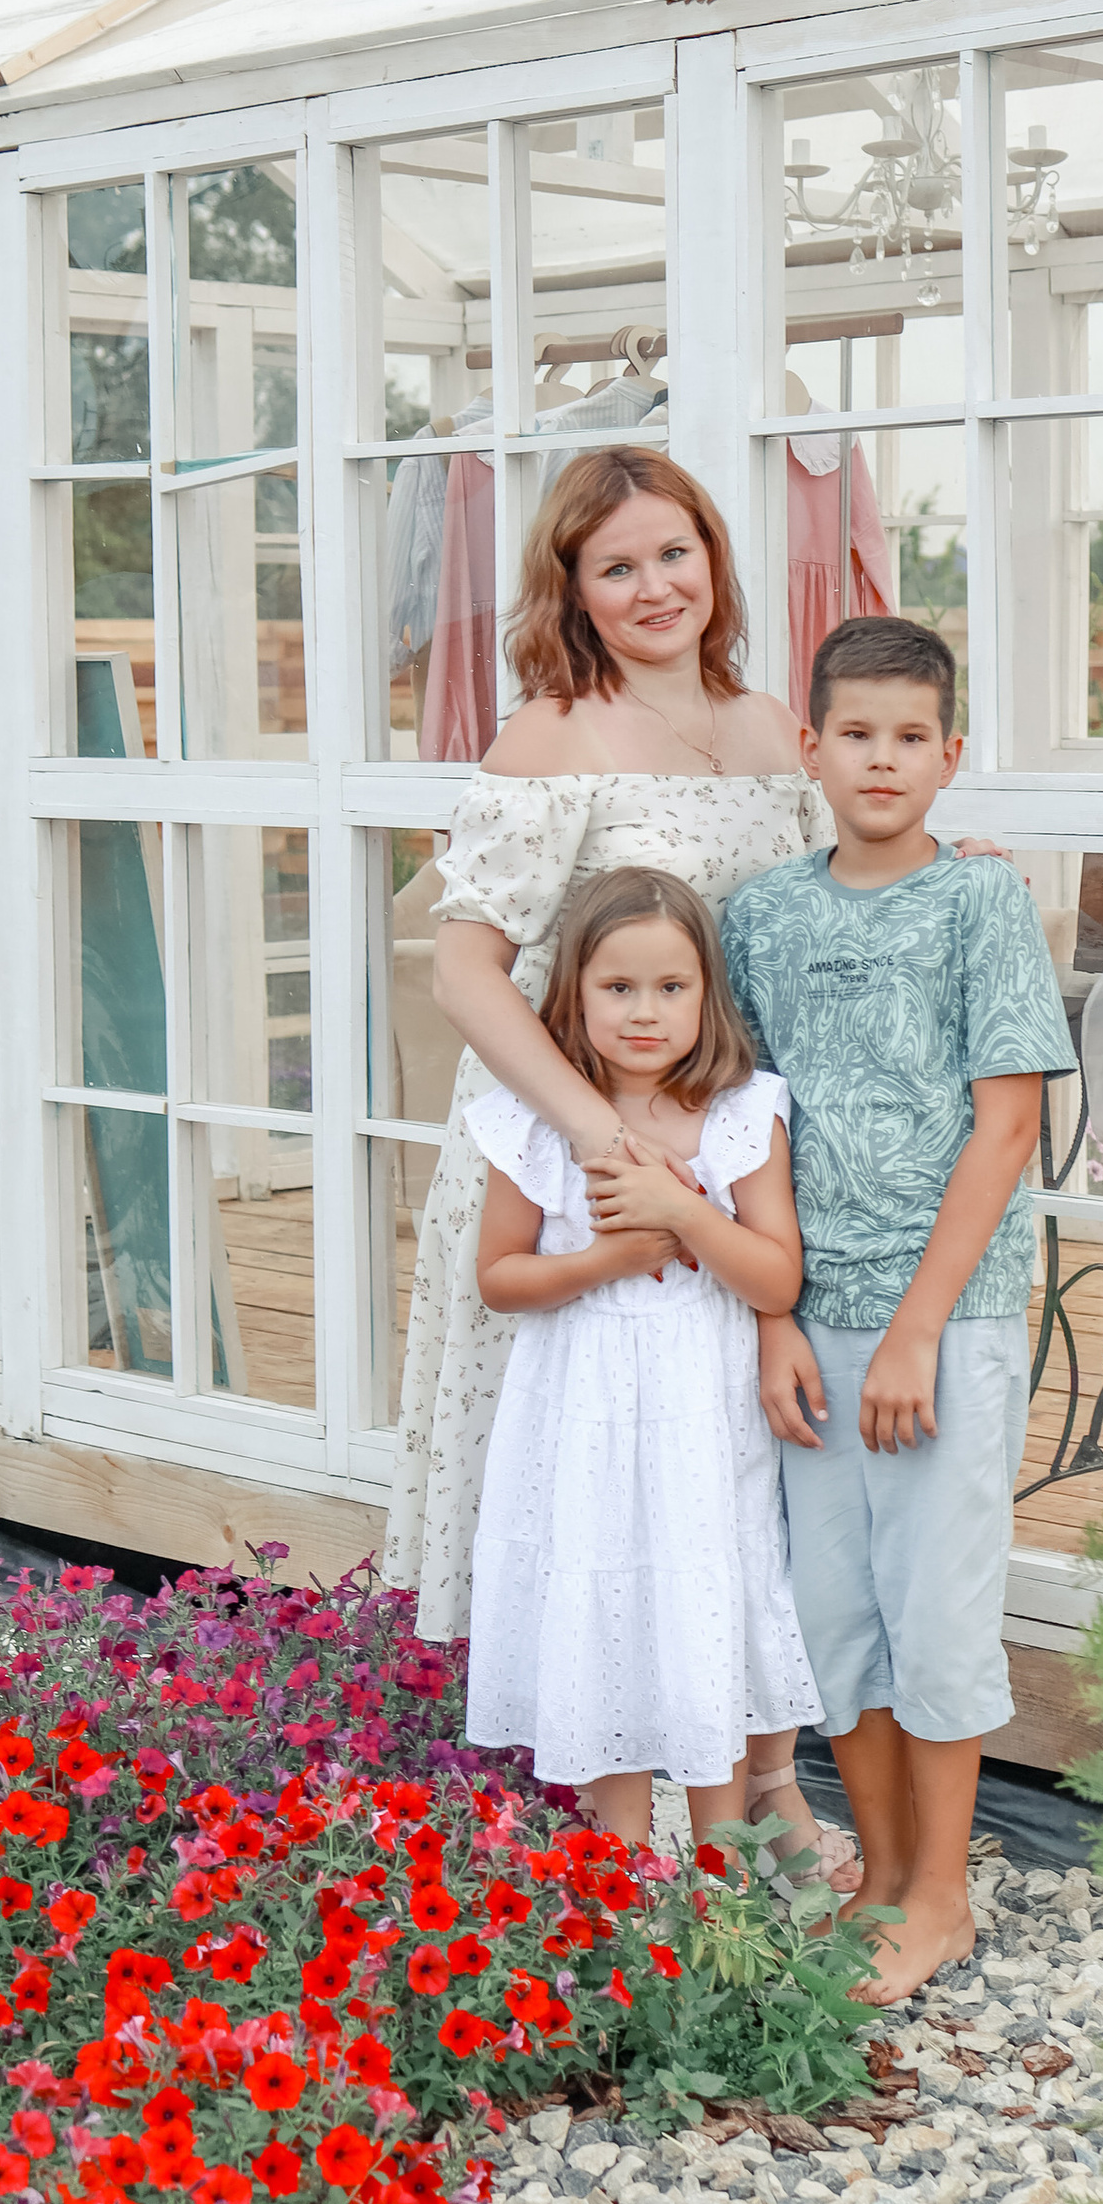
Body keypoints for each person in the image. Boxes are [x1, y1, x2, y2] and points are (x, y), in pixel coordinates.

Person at [383, 448, 841, 1872]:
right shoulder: (550, 737)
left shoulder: (767, 724)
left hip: (730, 1143)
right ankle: (597, 1765)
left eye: (675, 554)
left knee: (726, 1472)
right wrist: (597, 1138)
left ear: (715, 558)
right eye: (617, 566)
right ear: (573, 591)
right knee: (595, 1468)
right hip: (579, 1154)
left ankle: (761, 1773)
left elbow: (820, 904)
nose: (656, 588)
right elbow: (465, 972)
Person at [718, 616, 1076, 2007]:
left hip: (951, 1318)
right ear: (809, 746)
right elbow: (746, 1132)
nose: (882, 760)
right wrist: (773, 1318)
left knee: (937, 1610)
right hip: (812, 1319)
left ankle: (942, 1895)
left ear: (950, 755)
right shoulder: (762, 916)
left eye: (910, 737)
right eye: (855, 734)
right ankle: (874, 1876)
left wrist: (923, 1323)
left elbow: (1004, 1130)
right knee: (832, 1614)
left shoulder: (982, 905)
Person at [464, 868, 819, 1836]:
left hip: (701, 1419)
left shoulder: (742, 1116)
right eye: (617, 989)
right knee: (598, 1603)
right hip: (577, 1414)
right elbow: (499, 1277)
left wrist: (683, 1214)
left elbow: (775, 1280)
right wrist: (607, 1257)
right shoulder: (536, 1123)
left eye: (671, 988)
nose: (645, 1013)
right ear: (574, 996)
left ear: (708, 996)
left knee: (703, 1600)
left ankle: (718, 1873)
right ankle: (613, 1874)